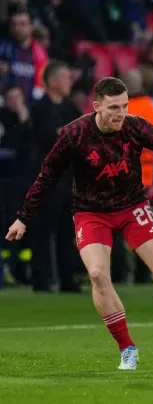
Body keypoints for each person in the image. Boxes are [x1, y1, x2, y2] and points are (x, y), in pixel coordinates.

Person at [5, 77, 153, 370]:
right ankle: (127, 348)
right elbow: (47, 176)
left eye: (124, 106)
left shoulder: (135, 126)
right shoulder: (74, 134)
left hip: (132, 206)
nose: (121, 113)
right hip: (91, 212)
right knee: (97, 274)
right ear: (96, 106)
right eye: (113, 108)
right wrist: (23, 217)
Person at [28, 60, 83, 292]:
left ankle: (67, 279)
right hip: (48, 179)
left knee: (66, 232)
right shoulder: (39, 108)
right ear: (52, 82)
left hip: (68, 179)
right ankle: (40, 279)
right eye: (66, 77)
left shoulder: (69, 108)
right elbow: (52, 136)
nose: (70, 81)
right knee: (43, 229)